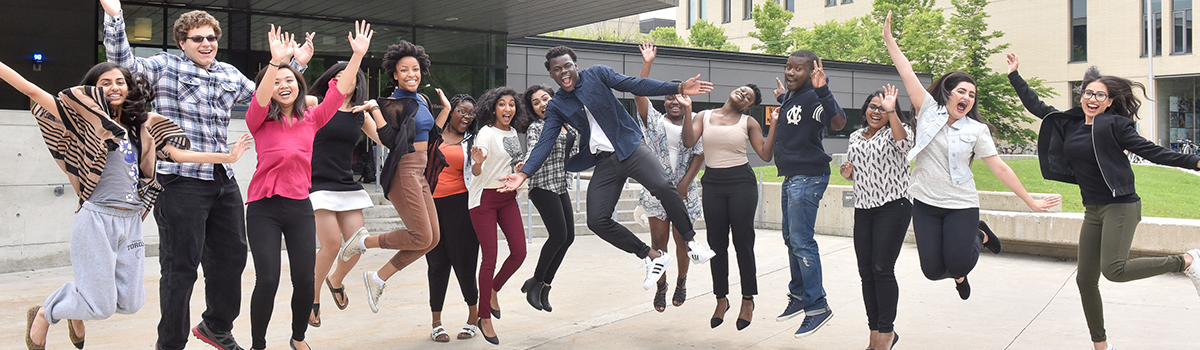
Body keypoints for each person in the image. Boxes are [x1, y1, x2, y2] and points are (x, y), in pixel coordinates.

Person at [99, 0, 313, 348]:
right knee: (181, 269)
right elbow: (123, 66)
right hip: (179, 181)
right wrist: (114, 16)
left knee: (232, 259)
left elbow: (264, 96)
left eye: (212, 37)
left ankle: (216, 326)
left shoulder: (228, 73)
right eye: (197, 38)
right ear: (182, 41)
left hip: (221, 180)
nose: (206, 44)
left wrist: (292, 64)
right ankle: (170, 343)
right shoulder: (165, 66)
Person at [2, 60, 251, 350]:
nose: (114, 87)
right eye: (105, 83)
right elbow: (31, 90)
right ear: (93, 89)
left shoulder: (140, 127)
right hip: (96, 220)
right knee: (101, 307)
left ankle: (76, 305)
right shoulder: (81, 121)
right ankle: (46, 312)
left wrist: (228, 158)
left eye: (120, 82)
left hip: (131, 222)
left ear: (129, 88)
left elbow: (178, 155)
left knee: (131, 302)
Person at [1006, 53, 1200, 350]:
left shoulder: (1115, 125)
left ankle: (1186, 260)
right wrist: (1015, 75)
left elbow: (1152, 152)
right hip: (1092, 209)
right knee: (1085, 281)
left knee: (1114, 270)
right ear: (1081, 96)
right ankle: (1101, 345)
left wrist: (1194, 162)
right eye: (1088, 93)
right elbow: (1037, 107)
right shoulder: (1069, 124)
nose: (1093, 99)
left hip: (1121, 205)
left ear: (1109, 101)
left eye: (1100, 95)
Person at [497, 45, 717, 294]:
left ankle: (692, 243)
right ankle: (652, 256)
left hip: (630, 147)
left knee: (663, 186)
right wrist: (524, 173)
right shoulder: (558, 105)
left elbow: (634, 84)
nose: (564, 71)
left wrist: (677, 88)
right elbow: (545, 142)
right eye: (557, 69)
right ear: (552, 75)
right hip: (604, 161)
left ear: (575, 65)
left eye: (567, 65)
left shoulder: (597, 74)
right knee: (596, 220)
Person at [882, 12, 1059, 302]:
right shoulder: (928, 109)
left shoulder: (977, 130)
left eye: (973, 95)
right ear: (948, 93)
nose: (968, 98)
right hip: (926, 202)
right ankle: (960, 274)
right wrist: (889, 40)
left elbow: (1000, 169)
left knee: (959, 262)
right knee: (932, 270)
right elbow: (907, 72)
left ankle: (980, 235)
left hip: (961, 204)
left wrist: (1030, 201)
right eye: (962, 91)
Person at [243, 22, 369, 350]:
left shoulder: (312, 119)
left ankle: (297, 337)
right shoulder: (258, 119)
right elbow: (259, 96)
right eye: (278, 82)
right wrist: (275, 62)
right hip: (263, 208)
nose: (284, 86)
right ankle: (258, 344)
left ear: (299, 86)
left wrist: (356, 56)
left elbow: (339, 91)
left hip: (300, 206)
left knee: (303, 281)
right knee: (268, 279)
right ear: (269, 88)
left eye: (291, 81)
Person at [339, 40, 451, 316]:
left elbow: (432, 137)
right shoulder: (390, 103)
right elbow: (388, 140)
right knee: (421, 234)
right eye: (404, 70)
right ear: (395, 74)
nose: (411, 74)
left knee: (433, 238)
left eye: (415, 69)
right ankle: (362, 242)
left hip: (421, 171)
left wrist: (446, 110)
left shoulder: (422, 100)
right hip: (403, 170)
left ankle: (377, 278)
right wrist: (375, 111)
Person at [682, 82, 777, 331]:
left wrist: (774, 124)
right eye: (744, 89)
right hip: (713, 183)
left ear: (748, 106)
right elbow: (688, 142)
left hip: (741, 184)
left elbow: (765, 155)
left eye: (749, 97)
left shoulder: (749, 123)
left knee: (743, 242)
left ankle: (748, 299)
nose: (744, 93)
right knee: (717, 243)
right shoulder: (704, 116)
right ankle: (721, 299)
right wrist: (688, 110)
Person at [768, 48, 846, 338]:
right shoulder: (792, 96)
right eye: (788, 67)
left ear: (812, 72)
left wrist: (823, 89)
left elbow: (837, 123)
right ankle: (799, 296)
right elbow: (795, 115)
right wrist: (781, 98)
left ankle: (818, 307)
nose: (790, 72)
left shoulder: (815, 95)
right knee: (791, 239)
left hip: (808, 176)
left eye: (798, 69)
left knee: (802, 241)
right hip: (792, 176)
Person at [632, 41, 704, 313]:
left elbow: (699, 153)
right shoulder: (653, 120)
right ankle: (661, 285)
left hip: (686, 191)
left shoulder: (695, 118)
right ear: (664, 100)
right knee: (658, 243)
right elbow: (639, 92)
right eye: (670, 97)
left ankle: (681, 282)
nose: (674, 101)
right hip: (655, 191)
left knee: (683, 241)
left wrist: (685, 183)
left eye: (679, 97)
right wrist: (647, 62)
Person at [838, 85, 912, 350]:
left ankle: (887, 333)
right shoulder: (856, 137)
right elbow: (857, 171)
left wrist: (892, 112)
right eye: (873, 106)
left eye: (883, 108)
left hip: (894, 206)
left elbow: (905, 144)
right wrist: (848, 174)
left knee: (882, 269)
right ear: (865, 109)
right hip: (864, 207)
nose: (876, 112)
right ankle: (874, 335)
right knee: (866, 272)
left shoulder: (896, 132)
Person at [306, 61, 379, 328]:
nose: (344, 80)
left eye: (350, 77)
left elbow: (385, 139)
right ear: (329, 80)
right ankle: (311, 297)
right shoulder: (315, 101)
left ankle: (335, 280)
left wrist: (376, 109)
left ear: (358, 84)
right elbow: (284, 96)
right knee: (331, 245)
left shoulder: (360, 113)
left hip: (345, 184)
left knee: (357, 244)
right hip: (316, 183)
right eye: (338, 76)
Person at [466, 86, 532, 345]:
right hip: (484, 199)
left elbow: (511, 161)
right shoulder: (485, 133)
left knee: (519, 252)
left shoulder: (513, 132)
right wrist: (479, 162)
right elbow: (476, 171)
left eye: (511, 104)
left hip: (507, 197)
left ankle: (493, 288)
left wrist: (518, 167)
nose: (507, 109)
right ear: (492, 107)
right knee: (490, 257)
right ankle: (484, 317)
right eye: (502, 104)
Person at [422, 93, 482, 342]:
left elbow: (478, 173)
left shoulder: (473, 141)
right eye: (461, 111)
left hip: (462, 206)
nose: (466, 116)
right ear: (451, 111)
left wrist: (479, 162)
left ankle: (473, 318)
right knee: (436, 264)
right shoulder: (432, 137)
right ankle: (436, 322)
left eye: (471, 113)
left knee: (465, 262)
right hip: (431, 206)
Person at [518, 84, 580, 313]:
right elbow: (534, 149)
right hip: (542, 185)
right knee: (559, 235)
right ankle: (535, 281)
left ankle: (545, 285)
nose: (543, 104)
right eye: (536, 102)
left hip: (560, 183)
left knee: (569, 237)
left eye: (545, 98)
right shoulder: (537, 127)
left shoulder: (568, 125)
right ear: (533, 109)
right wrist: (525, 165)